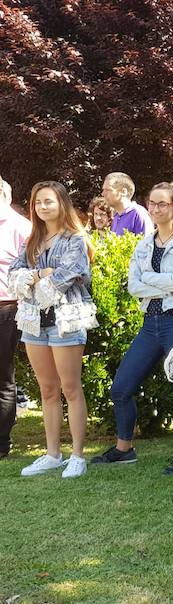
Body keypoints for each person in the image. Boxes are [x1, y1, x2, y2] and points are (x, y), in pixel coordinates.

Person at [92, 182, 173, 474]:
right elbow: (134, 286)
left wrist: (150, 279)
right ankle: (124, 449)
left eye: (162, 203)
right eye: (152, 203)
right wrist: (165, 283)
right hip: (150, 324)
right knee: (121, 388)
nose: (155, 208)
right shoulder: (143, 244)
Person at [13, 181, 97, 479]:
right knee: (47, 390)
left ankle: (77, 456)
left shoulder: (75, 239)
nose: (42, 207)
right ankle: (52, 454)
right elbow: (14, 273)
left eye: (48, 201)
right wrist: (41, 273)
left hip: (67, 320)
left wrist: (34, 277)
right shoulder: (32, 240)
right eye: (38, 202)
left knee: (71, 388)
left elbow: (72, 273)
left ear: (62, 203)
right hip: (35, 321)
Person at [0, 177, 32, 459]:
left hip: (6, 308)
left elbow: (34, 269)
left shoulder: (22, 227)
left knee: (3, 377)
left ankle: (1, 443)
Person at [101, 172, 152, 236]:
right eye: (103, 190)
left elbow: (147, 241)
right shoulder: (116, 217)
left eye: (108, 190)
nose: (103, 194)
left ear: (123, 192)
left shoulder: (138, 214)